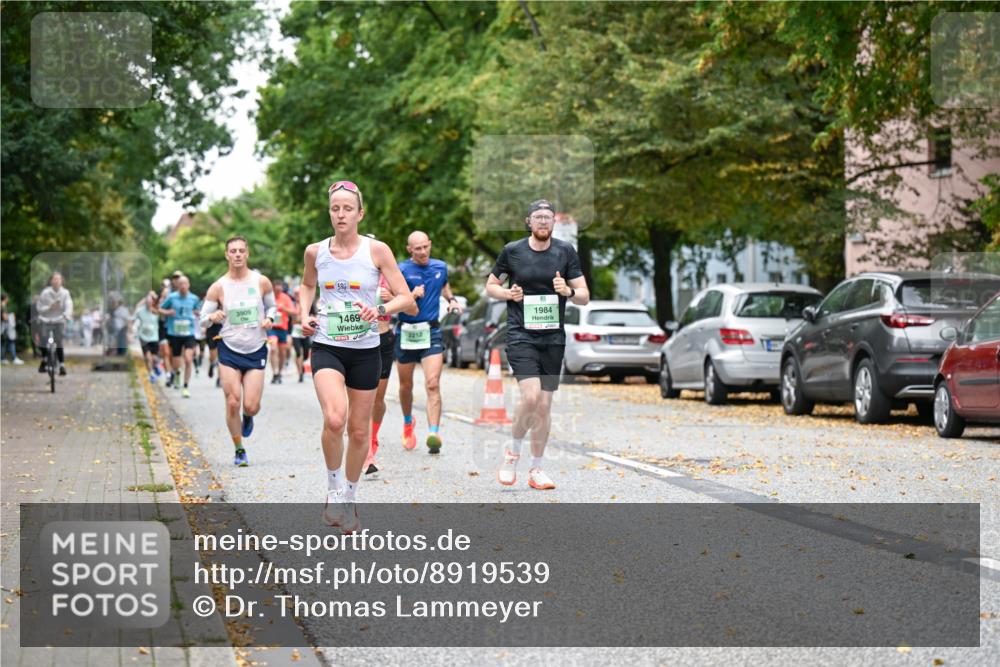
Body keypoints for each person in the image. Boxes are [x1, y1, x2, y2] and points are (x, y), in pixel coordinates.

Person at [298, 180, 415, 531]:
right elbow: (306, 285)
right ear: (329, 212)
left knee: (359, 432)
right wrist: (305, 314)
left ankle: (349, 497)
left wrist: (380, 308)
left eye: (348, 208)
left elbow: (406, 299)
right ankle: (334, 490)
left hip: (366, 350)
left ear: (360, 213)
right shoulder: (315, 252)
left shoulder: (377, 251)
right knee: (335, 419)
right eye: (335, 208)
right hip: (328, 346)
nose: (341, 214)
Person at [485, 199, 589, 490]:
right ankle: (512, 453)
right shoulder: (513, 251)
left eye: (548, 217)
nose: (543, 222)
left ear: (554, 222)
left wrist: (567, 290)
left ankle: (536, 470)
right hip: (521, 335)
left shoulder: (565, 251)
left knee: (543, 406)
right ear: (528, 222)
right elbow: (491, 286)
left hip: (553, 338)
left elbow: (584, 295)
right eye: (538, 217)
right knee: (529, 397)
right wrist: (509, 294)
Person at [200, 236, 277, 467]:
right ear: (226, 255)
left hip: (255, 348)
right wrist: (212, 317)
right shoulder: (218, 286)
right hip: (229, 348)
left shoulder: (261, 281)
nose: (237, 255)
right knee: (233, 401)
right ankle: (239, 448)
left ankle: (249, 416)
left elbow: (273, 306)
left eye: (241, 251)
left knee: (251, 405)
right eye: (232, 251)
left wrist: (271, 318)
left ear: (247, 253)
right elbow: (202, 319)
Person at [394, 231, 463, 453]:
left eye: (425, 247)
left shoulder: (440, 267)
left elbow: (444, 286)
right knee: (406, 386)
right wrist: (411, 296)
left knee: (432, 383)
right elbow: (393, 299)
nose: (423, 252)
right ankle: (407, 423)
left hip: (431, 331)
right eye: (418, 248)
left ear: (430, 245)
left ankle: (433, 433)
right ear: (409, 250)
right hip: (406, 332)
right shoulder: (401, 270)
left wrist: (451, 300)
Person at [159, 276, 201, 397]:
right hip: (175, 333)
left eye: (185, 283)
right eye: (181, 284)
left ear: (189, 285)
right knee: (176, 363)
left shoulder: (194, 298)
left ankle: (186, 386)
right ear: (178, 285)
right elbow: (160, 309)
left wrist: (198, 313)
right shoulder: (172, 297)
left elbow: (198, 310)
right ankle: (177, 373)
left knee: (188, 358)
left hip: (189, 333)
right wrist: (168, 312)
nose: (183, 286)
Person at [36, 272, 74, 375]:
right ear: (51, 281)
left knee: (59, 342)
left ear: (62, 281)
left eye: (59, 279)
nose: (56, 281)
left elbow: (69, 305)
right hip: (45, 320)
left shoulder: (65, 293)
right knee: (43, 340)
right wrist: (49, 307)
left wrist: (67, 315)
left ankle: (62, 365)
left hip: (59, 320)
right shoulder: (45, 293)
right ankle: (44, 359)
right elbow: (39, 307)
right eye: (54, 279)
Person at [267, 280, 296, 384]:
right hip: (271, 328)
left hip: (283, 328)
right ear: (273, 287)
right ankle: (274, 372)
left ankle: (279, 373)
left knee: (282, 352)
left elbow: (294, 312)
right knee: (273, 348)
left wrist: (284, 309)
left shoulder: (285, 297)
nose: (279, 288)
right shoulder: (269, 297)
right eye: (277, 286)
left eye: (280, 286)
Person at [133, 292, 161, 382]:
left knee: (154, 358)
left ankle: (156, 365)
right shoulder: (140, 311)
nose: (149, 303)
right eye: (147, 301)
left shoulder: (156, 310)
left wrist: (154, 296)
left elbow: (160, 303)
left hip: (154, 337)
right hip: (143, 337)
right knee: (148, 357)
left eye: (151, 301)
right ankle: (151, 374)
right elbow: (134, 314)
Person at [291, 298, 315, 383]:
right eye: (296, 294)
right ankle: (300, 373)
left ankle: (302, 366)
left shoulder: (309, 304)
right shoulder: (293, 305)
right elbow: (294, 320)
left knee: (305, 354)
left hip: (305, 333)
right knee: (298, 353)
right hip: (296, 333)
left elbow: (313, 316)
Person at [1, 293, 24, 365]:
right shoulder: (2, 306)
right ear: (6, 298)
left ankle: (3, 358)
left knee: (3, 343)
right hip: (4, 328)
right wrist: (11, 315)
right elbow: (4, 317)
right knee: (10, 342)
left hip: (3, 328)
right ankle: (13, 358)